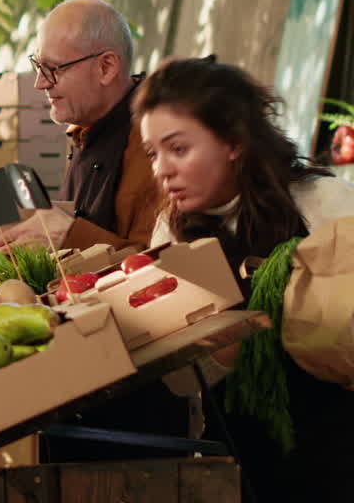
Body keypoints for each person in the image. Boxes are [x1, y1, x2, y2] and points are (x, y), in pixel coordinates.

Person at [135, 56, 354, 502]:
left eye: (179, 149)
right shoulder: (170, 236)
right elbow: (184, 381)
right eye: (153, 154)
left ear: (233, 140)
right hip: (245, 463)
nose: (162, 170)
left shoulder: (320, 203)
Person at [0, 0, 161, 251]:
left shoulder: (155, 141)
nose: (40, 83)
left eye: (54, 69)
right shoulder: (83, 130)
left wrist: (70, 234)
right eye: (38, 65)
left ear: (106, 67)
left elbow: (162, 266)